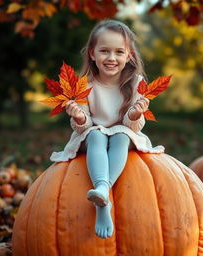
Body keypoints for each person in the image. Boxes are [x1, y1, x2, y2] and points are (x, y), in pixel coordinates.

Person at [50, 19, 164, 239]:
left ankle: (103, 192)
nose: (111, 58)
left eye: (119, 52)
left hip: (124, 134)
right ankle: (103, 189)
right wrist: (79, 116)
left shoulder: (135, 84)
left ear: (129, 55)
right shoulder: (85, 85)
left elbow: (133, 127)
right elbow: (85, 126)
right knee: (96, 135)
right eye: (104, 51)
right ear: (92, 53)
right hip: (93, 136)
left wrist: (134, 114)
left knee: (121, 135)